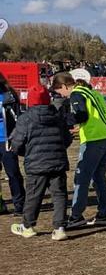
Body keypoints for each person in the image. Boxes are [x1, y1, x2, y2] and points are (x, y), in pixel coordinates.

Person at [52, 72, 106, 227]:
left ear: (64, 86)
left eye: (59, 92)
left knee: (81, 179)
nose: (62, 96)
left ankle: (76, 217)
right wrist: (81, 128)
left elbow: (81, 115)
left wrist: (63, 121)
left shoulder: (76, 94)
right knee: (99, 177)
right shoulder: (92, 92)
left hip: (93, 140)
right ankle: (104, 214)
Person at [8, 84, 70, 241]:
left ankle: (28, 226)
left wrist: (25, 152)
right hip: (57, 162)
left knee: (33, 196)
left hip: (36, 164)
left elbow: (17, 143)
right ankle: (60, 228)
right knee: (59, 195)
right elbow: (67, 139)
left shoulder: (25, 118)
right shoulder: (57, 116)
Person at [0, 72, 25, 216]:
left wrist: (15, 137)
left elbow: (17, 118)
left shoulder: (8, 95)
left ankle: (20, 203)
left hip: (6, 139)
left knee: (13, 173)